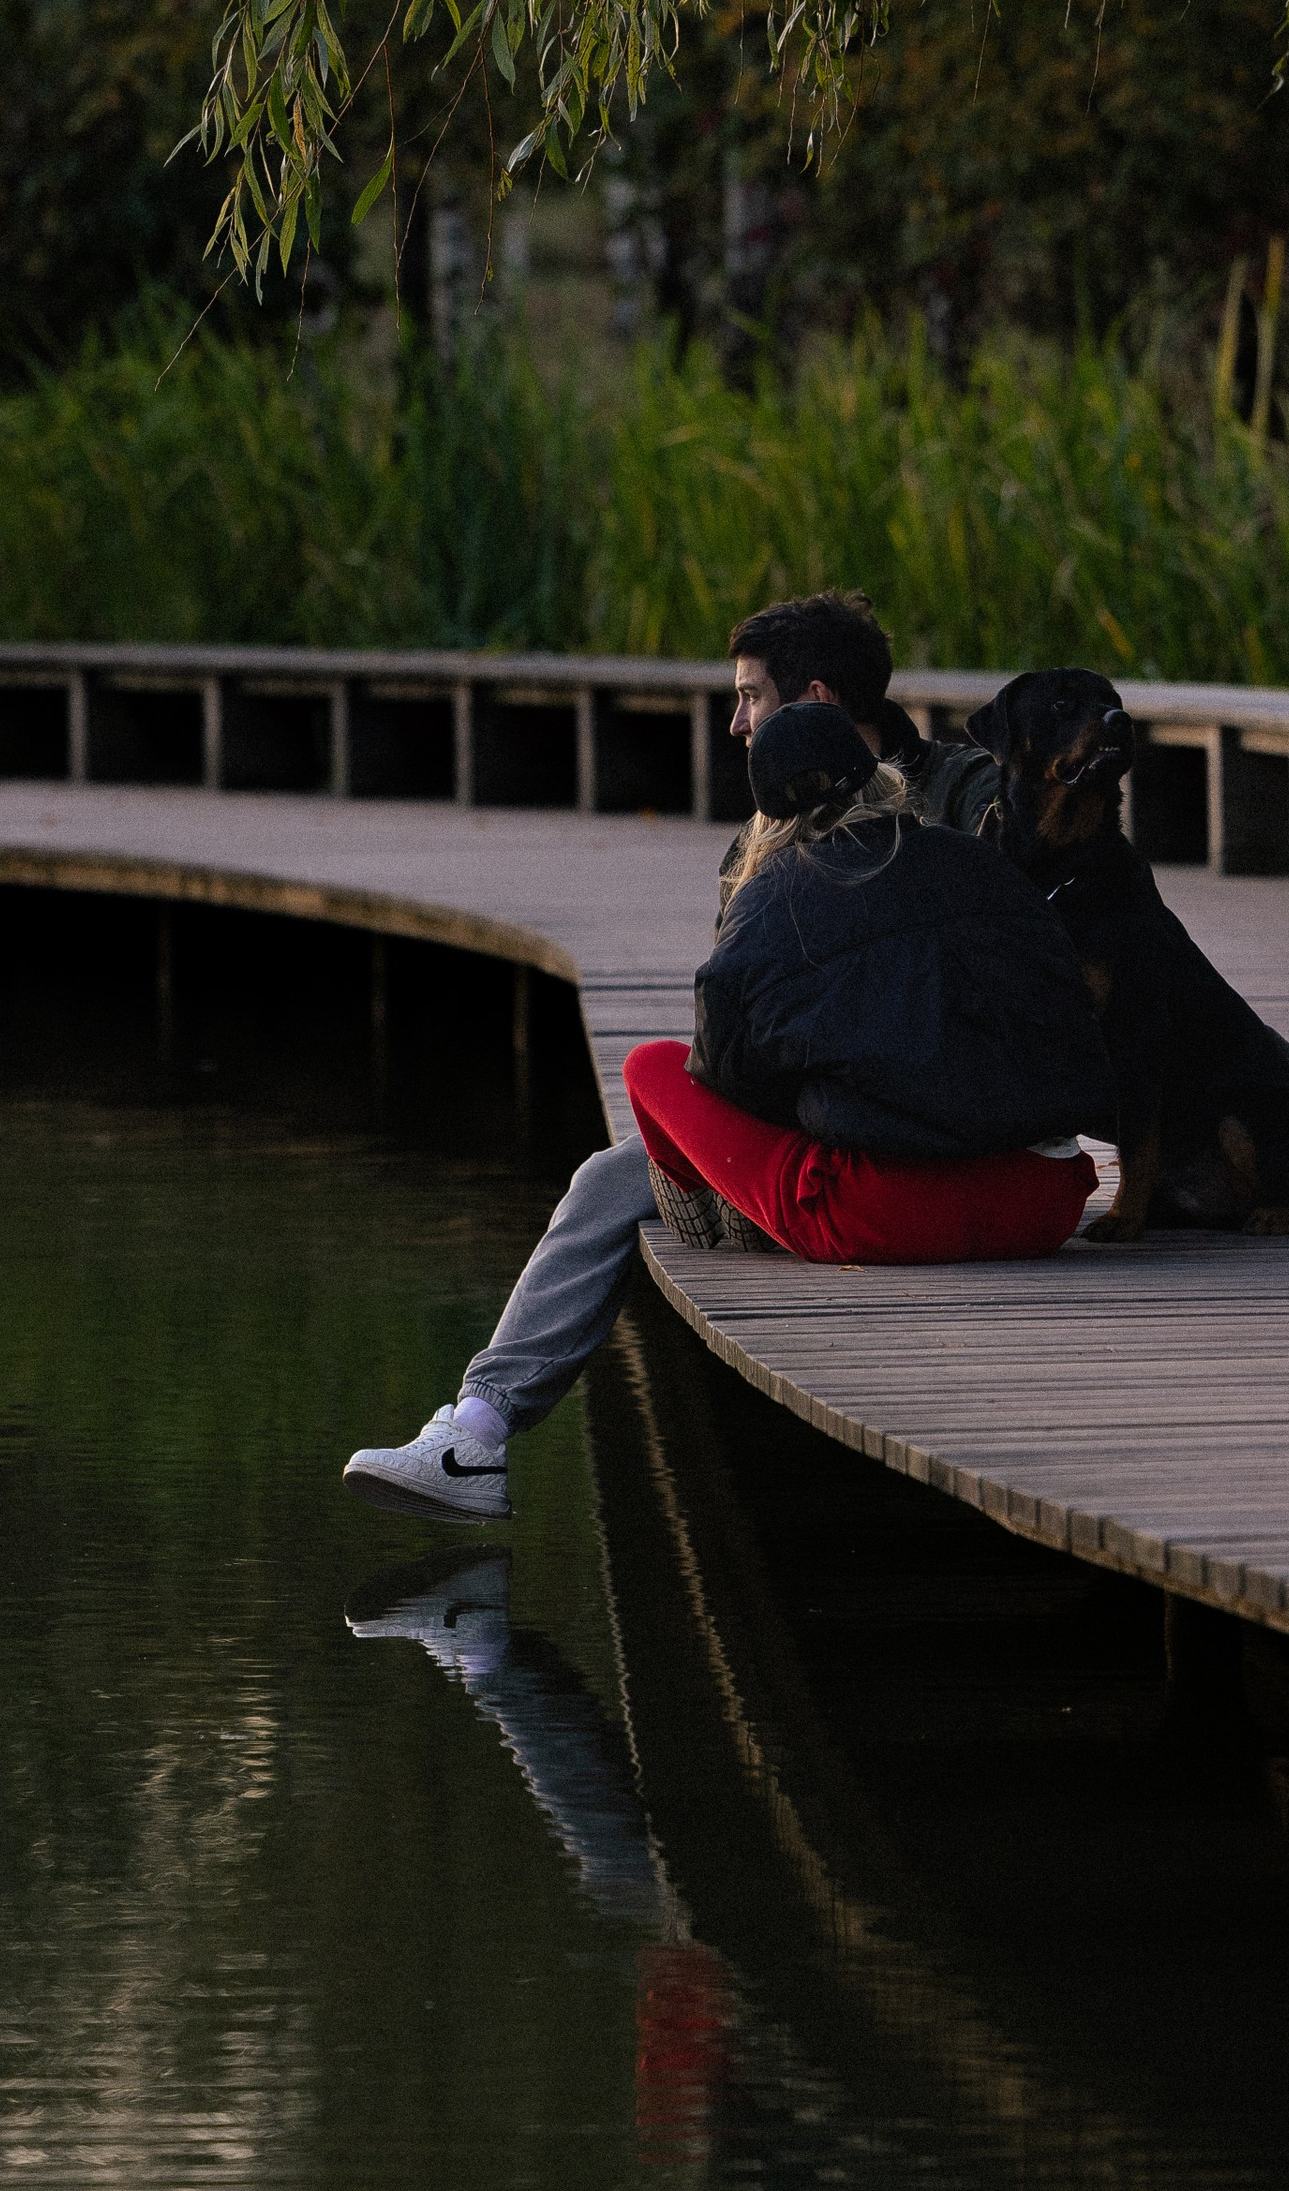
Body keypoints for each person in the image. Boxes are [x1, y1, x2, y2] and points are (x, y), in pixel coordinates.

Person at [343, 591, 1007, 1526]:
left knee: (622, 1168)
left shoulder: (950, 805)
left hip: (892, 1144)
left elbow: (736, 1047)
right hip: (987, 1145)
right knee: (631, 1156)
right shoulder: (844, 816)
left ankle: (476, 1435)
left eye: (748, 699)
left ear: (813, 695)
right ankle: (475, 1427)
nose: (735, 726)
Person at [624, 699, 1108, 1263]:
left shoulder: (766, 899)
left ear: (767, 818)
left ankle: (718, 1215)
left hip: (884, 1217)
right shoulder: (980, 861)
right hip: (1042, 1205)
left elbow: (727, 1076)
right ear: (879, 775)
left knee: (648, 1067)